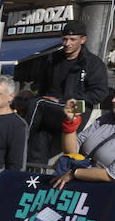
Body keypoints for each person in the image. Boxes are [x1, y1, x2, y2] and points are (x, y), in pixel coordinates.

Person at [31, 20, 109, 166]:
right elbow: (41, 84)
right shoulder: (52, 59)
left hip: (77, 108)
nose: (67, 43)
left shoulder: (93, 63)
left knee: (37, 103)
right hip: (51, 108)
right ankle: (34, 176)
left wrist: (65, 101)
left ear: (83, 39)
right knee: (38, 145)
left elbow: (100, 92)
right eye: (65, 39)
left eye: (73, 39)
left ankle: (19, 137)